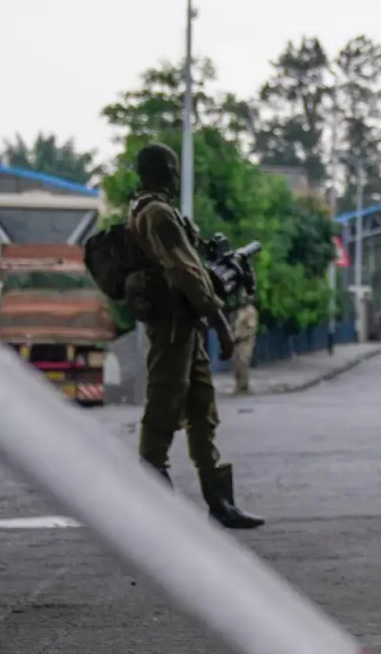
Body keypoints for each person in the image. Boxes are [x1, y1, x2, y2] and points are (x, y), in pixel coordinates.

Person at [124, 142, 264, 531]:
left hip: (186, 325)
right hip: (172, 326)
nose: (175, 175)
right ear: (161, 170)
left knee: (202, 408)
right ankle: (153, 504)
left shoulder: (151, 210)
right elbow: (186, 272)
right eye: (172, 168)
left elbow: (192, 267)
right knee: (164, 406)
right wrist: (219, 320)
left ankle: (220, 502)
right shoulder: (156, 213)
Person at [230, 299, 258, 395]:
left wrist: (241, 336)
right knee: (236, 364)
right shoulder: (240, 311)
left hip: (245, 342)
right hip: (237, 342)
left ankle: (243, 387)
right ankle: (238, 386)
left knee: (243, 364)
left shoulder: (250, 311)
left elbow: (251, 328)